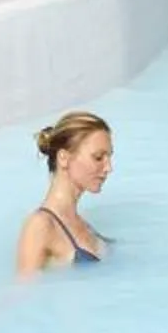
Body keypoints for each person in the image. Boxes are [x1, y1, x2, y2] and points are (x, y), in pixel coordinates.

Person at [15, 111, 112, 274]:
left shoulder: (81, 222)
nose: (109, 168)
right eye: (98, 157)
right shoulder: (40, 225)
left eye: (109, 157)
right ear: (64, 158)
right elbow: (23, 294)